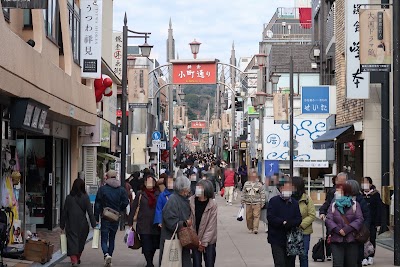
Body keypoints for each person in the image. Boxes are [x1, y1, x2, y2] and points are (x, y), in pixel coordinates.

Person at [94, 170, 129, 267]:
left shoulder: (102, 189)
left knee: (104, 238)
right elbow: (126, 202)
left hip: (105, 217)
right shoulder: (121, 189)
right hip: (115, 216)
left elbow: (97, 204)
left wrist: (96, 217)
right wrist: (119, 209)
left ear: (107, 177)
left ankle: (106, 254)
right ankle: (110, 256)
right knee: (112, 238)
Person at [325, 183, 364, 267]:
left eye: (338, 191)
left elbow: (359, 219)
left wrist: (346, 230)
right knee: (337, 264)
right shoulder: (333, 205)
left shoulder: (355, 205)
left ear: (346, 192)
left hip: (352, 240)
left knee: (351, 264)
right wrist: (338, 230)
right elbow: (329, 219)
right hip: (336, 240)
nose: (336, 193)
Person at [61, 178, 96, 266]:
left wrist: (62, 226)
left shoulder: (69, 198)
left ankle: (74, 260)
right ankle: (77, 258)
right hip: (83, 224)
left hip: (71, 224)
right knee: (80, 242)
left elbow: (64, 212)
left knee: (72, 242)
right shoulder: (85, 197)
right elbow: (90, 212)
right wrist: (94, 224)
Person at [267, 178, 302, 267]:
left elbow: (298, 218)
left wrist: (290, 223)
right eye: (286, 189)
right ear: (281, 189)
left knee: (290, 263)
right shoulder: (274, 201)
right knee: (280, 263)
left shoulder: (294, 203)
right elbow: (270, 217)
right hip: (276, 238)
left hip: (291, 238)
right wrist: (282, 222)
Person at [159, 176, 193, 266]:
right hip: (173, 238)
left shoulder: (181, 199)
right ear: (184, 189)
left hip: (182, 238)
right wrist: (185, 223)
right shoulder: (173, 200)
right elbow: (170, 222)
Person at [128, 176, 160, 267]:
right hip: (143, 224)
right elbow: (134, 207)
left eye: (151, 182)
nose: (149, 184)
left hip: (155, 224)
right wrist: (130, 222)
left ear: (154, 183)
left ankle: (151, 260)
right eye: (147, 182)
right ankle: (149, 263)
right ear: (145, 183)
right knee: (146, 244)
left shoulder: (158, 194)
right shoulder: (140, 194)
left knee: (154, 245)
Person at [319, 172, 348, 260]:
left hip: (347, 222)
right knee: (330, 235)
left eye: (343, 181)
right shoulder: (332, 192)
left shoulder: (351, 192)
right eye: (339, 181)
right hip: (334, 220)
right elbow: (327, 203)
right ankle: (330, 253)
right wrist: (322, 212)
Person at [190, 180, 218, 267]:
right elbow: (190, 221)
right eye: (197, 187)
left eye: (200, 188)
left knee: (209, 263)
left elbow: (211, 226)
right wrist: (196, 240)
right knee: (196, 264)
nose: (198, 189)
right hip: (195, 240)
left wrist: (203, 243)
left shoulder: (212, 204)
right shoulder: (191, 201)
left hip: (209, 241)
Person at [292, 177, 316, 267]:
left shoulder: (307, 199)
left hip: (304, 231)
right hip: (291, 231)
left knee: (303, 255)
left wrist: (301, 225)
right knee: (291, 255)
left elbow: (312, 214)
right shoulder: (288, 199)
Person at [346, 179, 371, 267]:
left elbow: (366, 216)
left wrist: (364, 229)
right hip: (345, 232)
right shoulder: (341, 199)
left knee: (357, 258)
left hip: (357, 233)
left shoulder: (360, 200)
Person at [361, 177, 382, 266]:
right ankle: (364, 257)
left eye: (365, 182)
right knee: (363, 238)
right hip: (362, 221)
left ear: (370, 183)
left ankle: (371, 256)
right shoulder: (360, 194)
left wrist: (378, 222)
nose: (364, 184)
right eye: (362, 182)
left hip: (373, 221)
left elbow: (379, 209)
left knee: (372, 238)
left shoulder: (375, 194)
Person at [241, 170, 266, 234]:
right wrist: (242, 200)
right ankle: (250, 227)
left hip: (257, 202)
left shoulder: (259, 185)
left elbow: (262, 194)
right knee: (248, 217)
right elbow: (243, 192)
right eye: (252, 176)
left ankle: (255, 228)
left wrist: (262, 202)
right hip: (248, 203)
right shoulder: (246, 184)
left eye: (254, 176)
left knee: (256, 216)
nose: (253, 177)